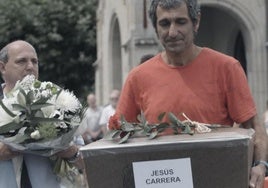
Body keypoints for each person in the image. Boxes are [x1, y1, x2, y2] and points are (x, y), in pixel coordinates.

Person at [108, 0, 268, 188]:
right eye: (165, 23)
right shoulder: (138, 77)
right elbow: (118, 134)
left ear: (196, 22)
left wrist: (261, 165)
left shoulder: (227, 68)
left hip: (216, 178)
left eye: (180, 22)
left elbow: (252, 125)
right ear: (155, 27)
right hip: (162, 181)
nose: (173, 32)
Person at [0, 40, 83, 188]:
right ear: (2, 67)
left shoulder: (58, 102)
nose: (30, 67)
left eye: (35, 61)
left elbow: (84, 161)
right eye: (21, 61)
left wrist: (69, 151)